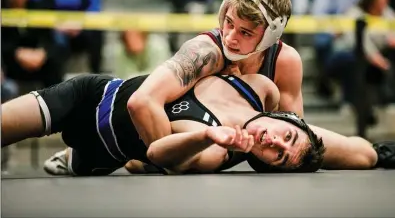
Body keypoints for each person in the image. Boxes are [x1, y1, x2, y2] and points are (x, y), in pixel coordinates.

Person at [125, 0, 386, 169]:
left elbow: (292, 129)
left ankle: (384, 153)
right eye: (228, 22)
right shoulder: (204, 52)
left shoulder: (284, 61)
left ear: (268, 38)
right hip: (195, 141)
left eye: (245, 32)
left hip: (250, 139)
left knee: (364, 156)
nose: (230, 37)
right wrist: (166, 164)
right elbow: (143, 101)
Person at [2, 73, 327, 176]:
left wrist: (207, 134)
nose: (276, 143)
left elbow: (159, 151)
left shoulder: (216, 153)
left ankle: (74, 158)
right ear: (284, 117)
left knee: (148, 162)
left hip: (106, 152)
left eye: (280, 156)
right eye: (286, 136)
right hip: (93, 96)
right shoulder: (260, 87)